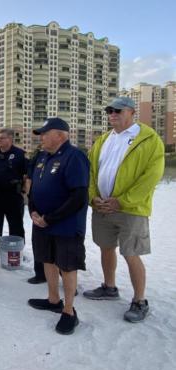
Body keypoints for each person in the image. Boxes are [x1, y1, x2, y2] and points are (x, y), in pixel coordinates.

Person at [83, 97, 165, 323]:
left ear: (131, 112)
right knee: (105, 248)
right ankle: (109, 287)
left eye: (117, 110)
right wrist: (93, 198)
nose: (112, 114)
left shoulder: (148, 139)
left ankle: (140, 301)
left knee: (131, 253)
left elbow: (152, 176)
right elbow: (91, 172)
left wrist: (123, 201)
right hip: (102, 207)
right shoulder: (103, 140)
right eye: (109, 110)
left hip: (131, 209)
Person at [27, 118, 89, 335]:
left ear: (61, 135)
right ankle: (53, 299)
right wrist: (33, 211)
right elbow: (33, 188)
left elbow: (79, 197)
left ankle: (69, 311)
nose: (41, 137)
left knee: (67, 265)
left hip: (66, 225)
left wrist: (50, 218)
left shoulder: (75, 157)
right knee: (48, 260)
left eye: (45, 133)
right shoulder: (42, 157)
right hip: (41, 223)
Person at [25, 147, 46, 284]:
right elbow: (29, 178)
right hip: (38, 207)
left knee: (60, 249)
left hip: (58, 210)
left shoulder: (70, 156)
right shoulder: (39, 156)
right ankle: (40, 274)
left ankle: (69, 282)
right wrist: (31, 206)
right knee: (38, 243)